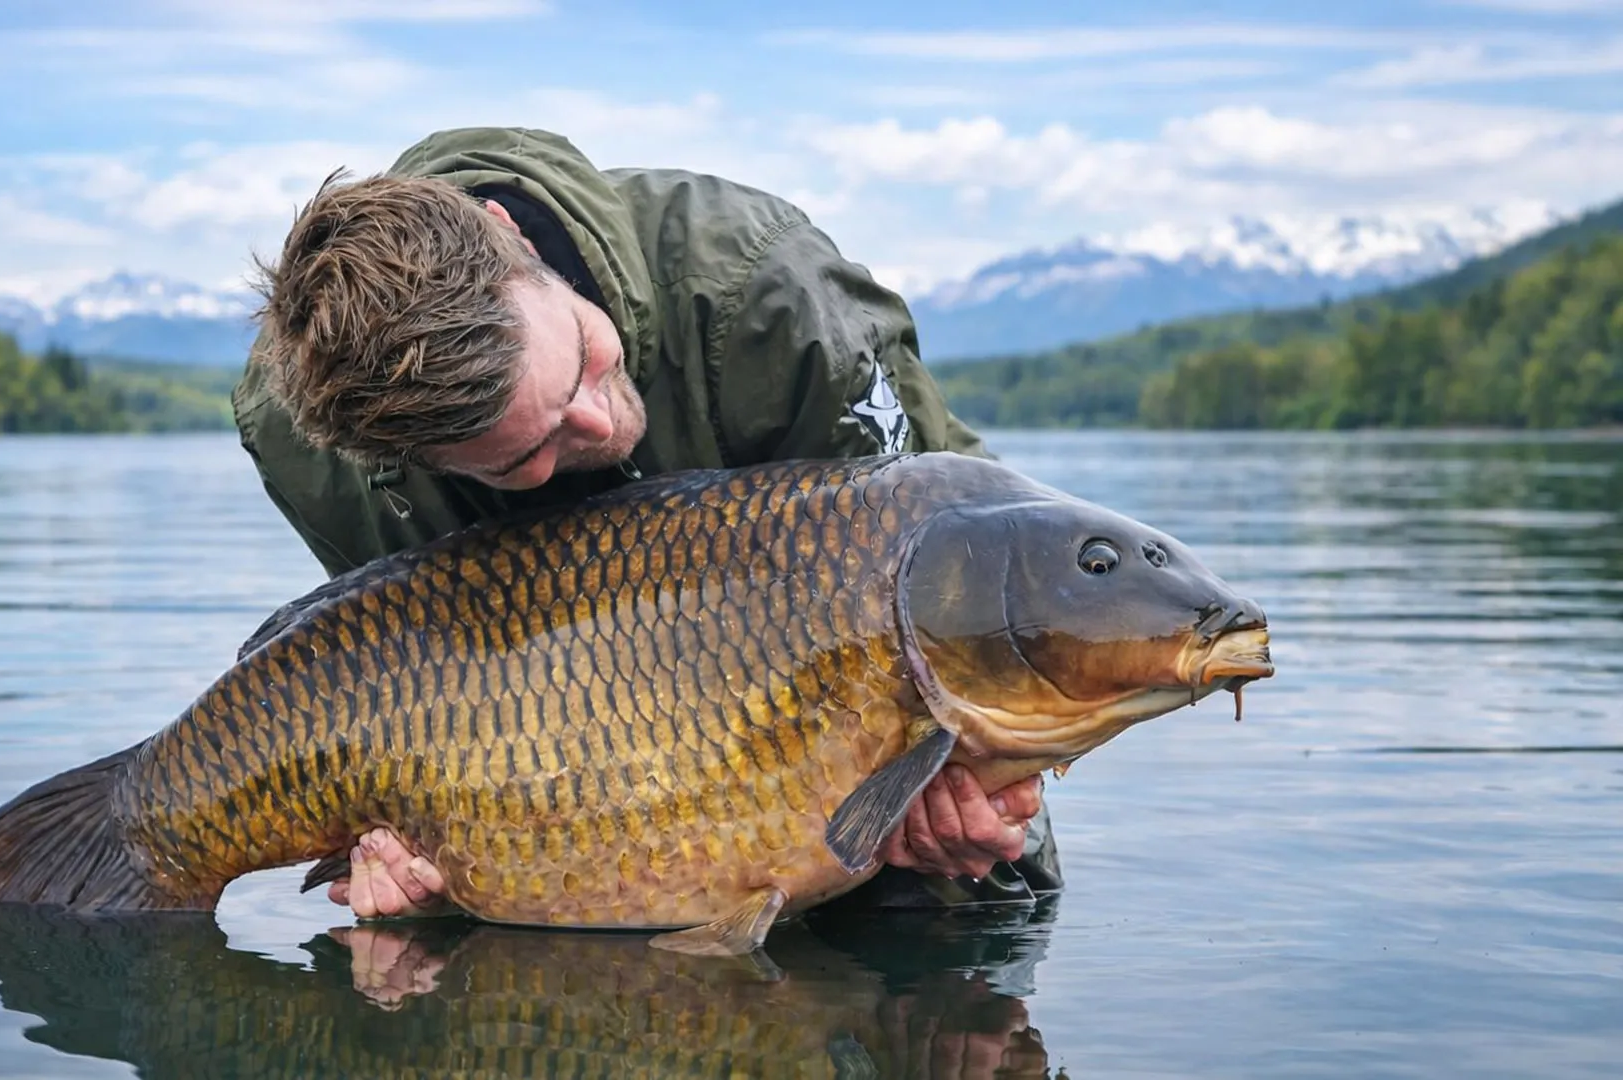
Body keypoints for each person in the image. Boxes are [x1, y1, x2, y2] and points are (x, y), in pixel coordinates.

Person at [234, 126, 1063, 921]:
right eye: (531, 449)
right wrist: (418, 871)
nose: (598, 424)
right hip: (565, 799)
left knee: (964, 911)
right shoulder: (315, 451)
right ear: (404, 456)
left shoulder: (762, 289)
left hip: (845, 734)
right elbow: (410, 705)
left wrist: (967, 794)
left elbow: (966, 569)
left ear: (510, 237)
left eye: (582, 364)